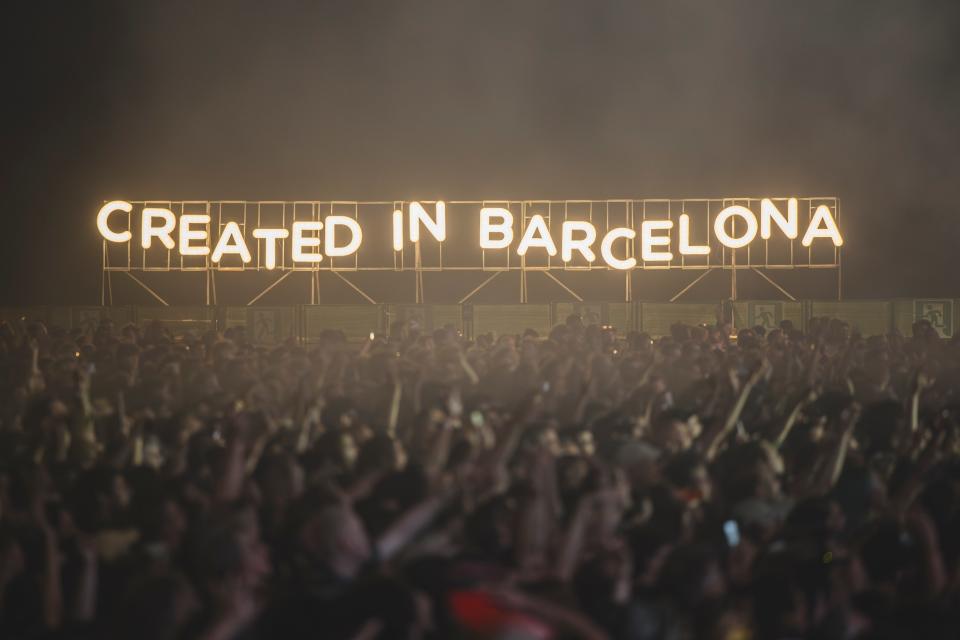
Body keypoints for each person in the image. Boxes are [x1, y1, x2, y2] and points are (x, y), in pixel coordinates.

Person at [0, 312, 959, 639]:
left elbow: (413, 535)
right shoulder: (300, 602)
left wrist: (469, 489)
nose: (259, 549)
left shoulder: (361, 572)